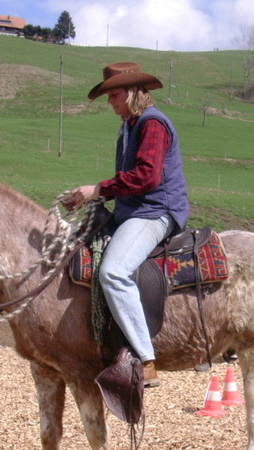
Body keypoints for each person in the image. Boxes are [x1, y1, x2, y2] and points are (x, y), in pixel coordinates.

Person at [63, 62, 189, 387]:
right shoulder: (129, 127)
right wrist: (90, 197)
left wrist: (98, 190)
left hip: (155, 211)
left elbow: (147, 177)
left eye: (113, 95)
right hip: (131, 211)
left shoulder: (152, 124)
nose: (110, 102)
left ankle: (146, 360)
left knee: (113, 272)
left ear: (132, 92)